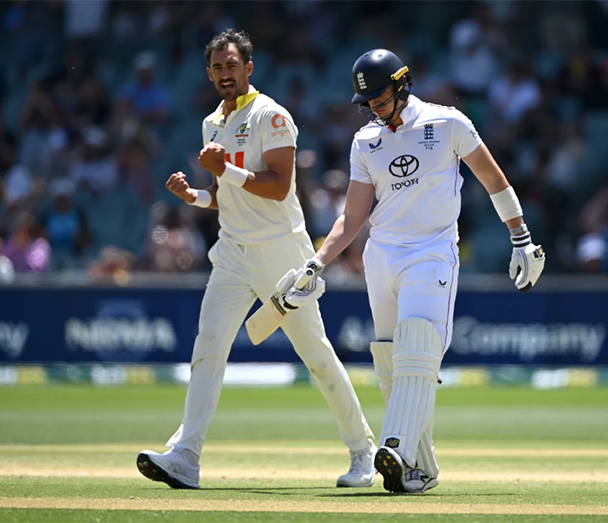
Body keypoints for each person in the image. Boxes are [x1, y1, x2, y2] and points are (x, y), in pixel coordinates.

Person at [283, 49, 546, 493]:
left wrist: (520, 236)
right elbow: (353, 218)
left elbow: (493, 178)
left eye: (380, 98)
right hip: (381, 255)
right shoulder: (366, 140)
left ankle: (396, 447)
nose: (373, 109)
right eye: (367, 103)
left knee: (418, 349)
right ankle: (419, 470)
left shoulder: (449, 123)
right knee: (389, 359)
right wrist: (315, 262)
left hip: (433, 251)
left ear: (402, 84)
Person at [136, 29, 376, 490]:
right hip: (232, 252)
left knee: (317, 355)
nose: (226, 74)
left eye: (233, 65)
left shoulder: (272, 115)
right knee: (208, 347)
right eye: (218, 67)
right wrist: (196, 195)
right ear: (208, 74)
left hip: (280, 250)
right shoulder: (212, 123)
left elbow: (279, 186)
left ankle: (363, 452)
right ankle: (186, 457)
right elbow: (230, 197)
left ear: (249, 67)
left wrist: (223, 169)